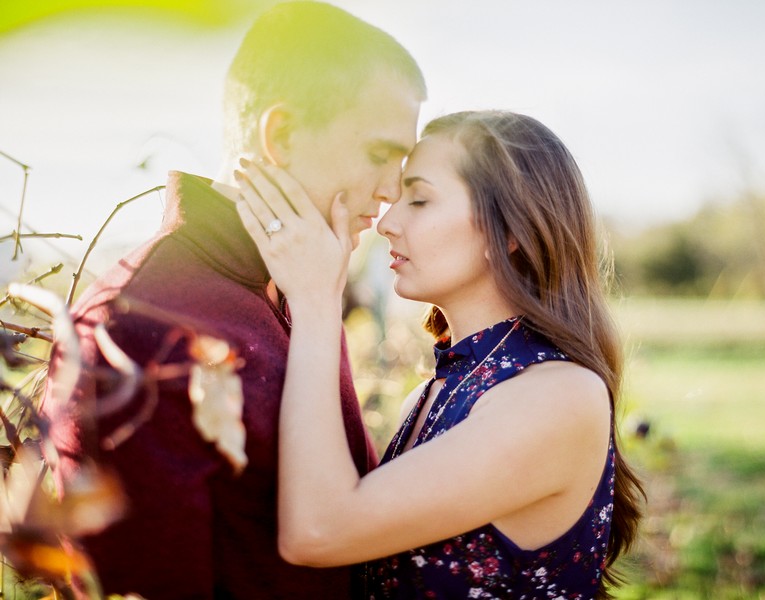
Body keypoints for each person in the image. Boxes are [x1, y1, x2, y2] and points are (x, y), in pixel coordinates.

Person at [40, 2, 425, 598]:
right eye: (380, 155)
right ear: (282, 134)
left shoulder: (303, 283)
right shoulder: (136, 326)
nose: (390, 192)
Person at [235, 110, 645, 599]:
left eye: (421, 199)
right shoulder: (429, 395)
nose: (387, 222)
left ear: (510, 230)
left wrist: (319, 300)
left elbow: (318, 531)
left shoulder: (558, 396)